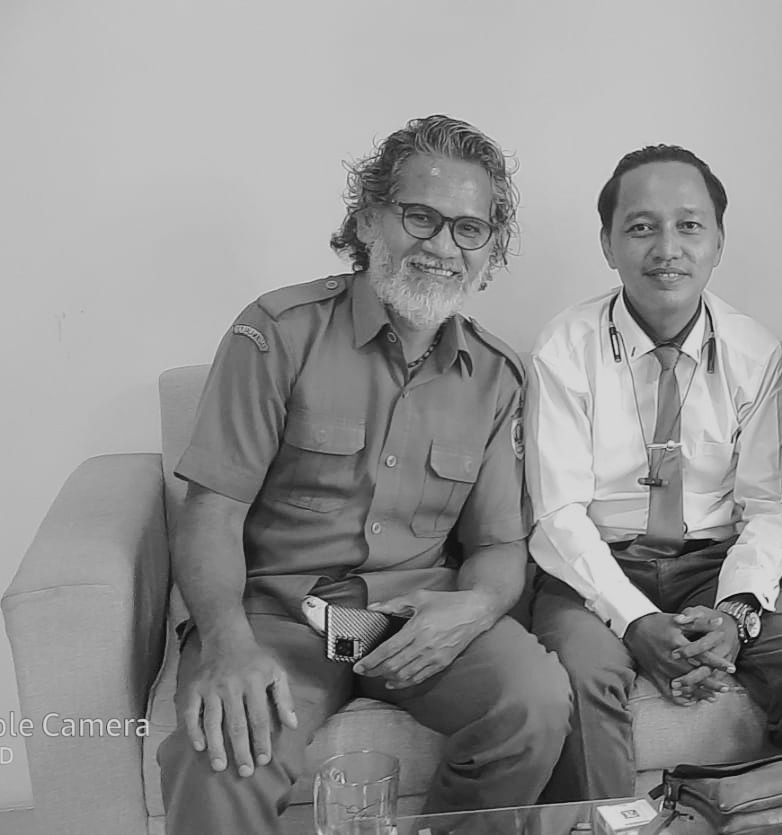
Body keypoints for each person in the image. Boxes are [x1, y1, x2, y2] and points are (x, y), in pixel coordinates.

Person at [157, 115, 572, 834]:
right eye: (420, 217)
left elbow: (500, 545)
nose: (442, 246)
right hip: (278, 615)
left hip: (415, 617)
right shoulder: (277, 332)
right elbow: (212, 511)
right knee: (221, 758)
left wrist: (473, 608)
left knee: (534, 702)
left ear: (490, 249)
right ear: (369, 218)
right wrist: (226, 642)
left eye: (469, 229)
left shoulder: (496, 376)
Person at [525, 144, 782, 802]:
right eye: (641, 227)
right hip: (596, 565)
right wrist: (634, 620)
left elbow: (767, 507)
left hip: (714, 562)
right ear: (607, 243)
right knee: (583, 681)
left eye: (689, 226)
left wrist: (734, 614)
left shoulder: (755, 352)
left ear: (719, 242)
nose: (667, 249)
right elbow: (559, 514)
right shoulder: (563, 347)